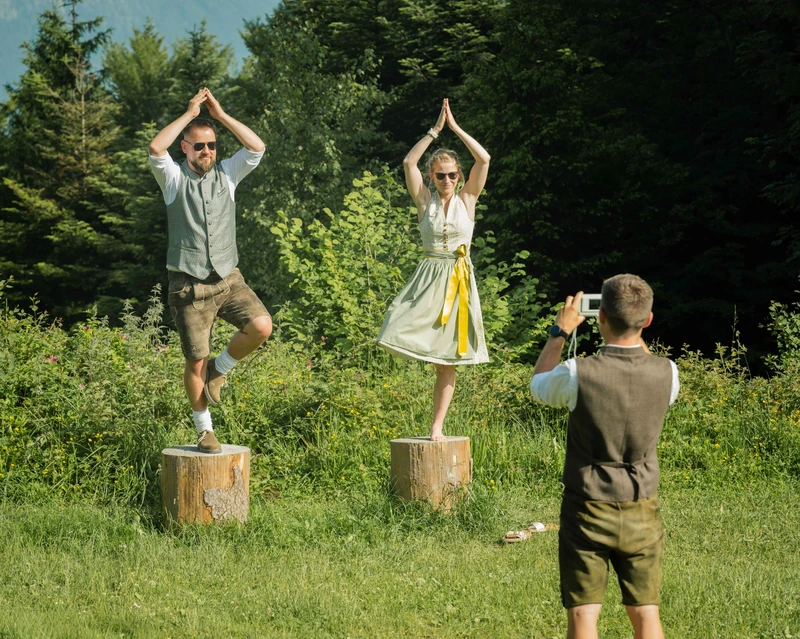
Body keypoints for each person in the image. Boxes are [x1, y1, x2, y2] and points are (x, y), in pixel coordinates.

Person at [529, 275, 680, 639]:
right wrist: (634, 331)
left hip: (587, 506)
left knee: (584, 615)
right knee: (646, 613)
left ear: (600, 317)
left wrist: (560, 332)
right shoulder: (668, 373)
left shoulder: (577, 373)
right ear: (648, 320)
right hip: (642, 504)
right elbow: (640, 360)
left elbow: (538, 386)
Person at [148, 88, 272, 454]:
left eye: (212, 145)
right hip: (189, 285)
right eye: (199, 146)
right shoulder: (172, 179)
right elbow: (156, 148)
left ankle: (220, 370)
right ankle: (205, 430)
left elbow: (257, 147)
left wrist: (220, 116)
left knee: (262, 326)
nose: (207, 151)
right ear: (185, 148)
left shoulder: (228, 173)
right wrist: (189, 114)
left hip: (229, 278)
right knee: (195, 361)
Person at [377, 98, 490, 441]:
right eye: (440, 175)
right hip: (428, 277)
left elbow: (484, 159)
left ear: (459, 175)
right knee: (393, 325)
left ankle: (437, 426)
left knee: (447, 361)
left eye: (452, 174)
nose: (447, 179)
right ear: (432, 177)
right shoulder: (424, 200)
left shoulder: (468, 199)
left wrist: (455, 128)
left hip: (458, 279)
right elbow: (408, 161)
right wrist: (435, 131)